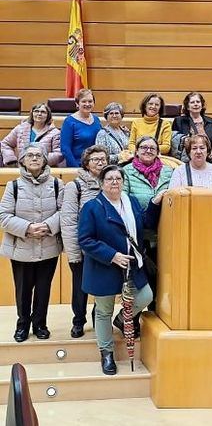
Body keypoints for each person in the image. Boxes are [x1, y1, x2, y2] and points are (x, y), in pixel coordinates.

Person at [78, 165, 162, 375]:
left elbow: (146, 223)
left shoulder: (130, 201)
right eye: (109, 179)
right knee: (103, 310)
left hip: (132, 265)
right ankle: (106, 353)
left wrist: (154, 202)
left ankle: (121, 319)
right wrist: (112, 255)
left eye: (118, 178)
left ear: (123, 182)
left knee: (145, 296)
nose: (114, 182)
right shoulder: (92, 207)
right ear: (102, 183)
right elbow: (85, 240)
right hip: (104, 266)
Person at [0, 144, 63, 342]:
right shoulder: (14, 186)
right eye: (30, 155)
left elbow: (65, 213)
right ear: (23, 161)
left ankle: (40, 324)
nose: (34, 158)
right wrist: (28, 228)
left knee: (44, 289)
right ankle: (23, 325)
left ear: (45, 160)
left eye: (38, 155)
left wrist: (47, 225)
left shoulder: (56, 184)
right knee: (23, 290)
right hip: (22, 248)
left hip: (49, 246)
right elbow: (3, 216)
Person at [60, 145, 108, 338]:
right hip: (82, 249)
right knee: (80, 288)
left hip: (104, 248)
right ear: (86, 163)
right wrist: (73, 253)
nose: (100, 162)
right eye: (95, 159)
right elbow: (68, 220)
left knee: (103, 287)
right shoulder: (75, 186)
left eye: (103, 159)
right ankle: (78, 321)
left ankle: (100, 319)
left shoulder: (112, 182)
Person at [122, 136, 173, 312]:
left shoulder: (169, 171)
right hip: (138, 233)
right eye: (143, 147)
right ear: (136, 151)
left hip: (165, 232)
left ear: (158, 152)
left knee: (160, 278)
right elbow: (124, 201)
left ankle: (155, 315)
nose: (148, 150)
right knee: (140, 280)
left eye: (152, 148)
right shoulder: (127, 171)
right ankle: (131, 320)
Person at [2, 102, 63, 167]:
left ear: (48, 115)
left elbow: (59, 153)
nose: (39, 114)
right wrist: (11, 160)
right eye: (36, 111)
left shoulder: (55, 133)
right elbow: (5, 143)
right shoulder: (20, 129)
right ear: (32, 113)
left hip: (45, 170)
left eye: (43, 112)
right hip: (22, 169)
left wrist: (39, 161)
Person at [172, 92, 212, 165]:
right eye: (192, 102)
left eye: (198, 102)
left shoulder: (211, 121)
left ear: (202, 105)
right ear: (187, 106)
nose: (196, 104)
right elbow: (175, 142)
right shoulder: (179, 121)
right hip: (187, 161)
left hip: (209, 160)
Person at [60, 88, 103, 167]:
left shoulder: (96, 119)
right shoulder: (69, 122)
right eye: (83, 101)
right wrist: (76, 169)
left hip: (96, 165)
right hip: (78, 165)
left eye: (90, 101)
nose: (87, 104)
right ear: (77, 104)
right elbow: (65, 149)